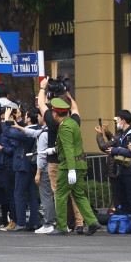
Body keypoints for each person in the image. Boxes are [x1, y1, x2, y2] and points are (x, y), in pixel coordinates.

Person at [38, 78, 85, 232]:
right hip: (74, 162)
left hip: (55, 161)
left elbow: (41, 105)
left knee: (59, 194)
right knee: (75, 195)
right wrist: (66, 92)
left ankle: (62, 224)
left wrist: (42, 87)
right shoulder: (74, 121)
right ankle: (80, 223)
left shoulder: (53, 121)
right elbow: (76, 108)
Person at [48, 98, 101, 236]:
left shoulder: (64, 127)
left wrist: (71, 169)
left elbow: (69, 149)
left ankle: (61, 226)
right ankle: (92, 221)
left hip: (69, 165)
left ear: (55, 113)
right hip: (80, 163)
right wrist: (55, 149)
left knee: (60, 194)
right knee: (78, 194)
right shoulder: (72, 123)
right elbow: (73, 144)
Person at [2, 107, 41, 231]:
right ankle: (34, 221)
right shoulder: (35, 129)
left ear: (29, 119)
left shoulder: (27, 132)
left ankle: (21, 222)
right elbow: (20, 129)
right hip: (31, 165)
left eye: (25, 116)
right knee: (31, 194)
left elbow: (9, 132)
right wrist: (18, 119)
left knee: (18, 193)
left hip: (22, 164)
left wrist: (6, 119)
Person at [105, 110, 131, 223]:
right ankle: (126, 222)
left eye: (118, 120)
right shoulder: (122, 134)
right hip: (121, 170)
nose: (117, 122)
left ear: (124, 120)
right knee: (123, 198)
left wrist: (114, 150)